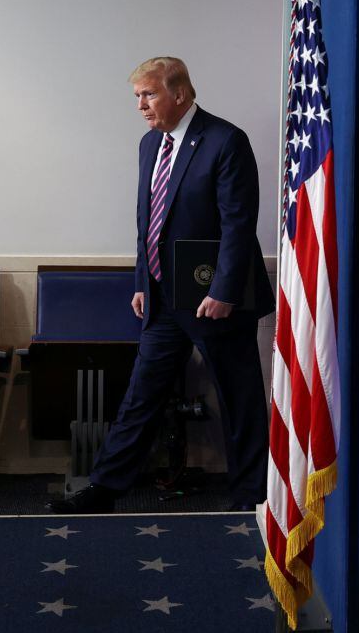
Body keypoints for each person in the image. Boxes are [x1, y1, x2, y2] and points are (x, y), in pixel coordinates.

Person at [48, 57, 274, 514]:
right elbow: (147, 221)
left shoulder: (225, 140)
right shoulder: (150, 144)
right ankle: (106, 488)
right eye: (137, 96)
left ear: (180, 94)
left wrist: (226, 290)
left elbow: (238, 223)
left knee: (239, 398)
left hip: (214, 294)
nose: (141, 106)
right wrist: (142, 281)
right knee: (141, 394)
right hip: (163, 295)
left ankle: (254, 496)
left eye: (148, 94)